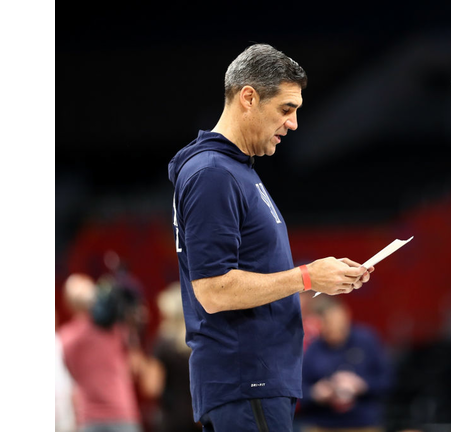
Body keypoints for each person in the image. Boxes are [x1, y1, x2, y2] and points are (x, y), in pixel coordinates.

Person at [167, 43, 374, 432]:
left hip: (254, 383)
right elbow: (213, 290)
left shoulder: (234, 170)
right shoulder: (214, 174)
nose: (293, 123)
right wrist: (307, 277)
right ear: (248, 97)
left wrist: (321, 278)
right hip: (246, 382)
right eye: (286, 109)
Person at [57, 273, 143, 432]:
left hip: (90, 416)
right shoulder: (115, 330)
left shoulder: (66, 338)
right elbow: (135, 366)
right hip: (121, 412)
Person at [297, 296, 393, 432]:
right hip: (321, 424)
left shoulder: (366, 340)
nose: (333, 328)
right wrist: (316, 392)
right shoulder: (313, 347)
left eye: (335, 321)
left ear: (345, 315)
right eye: (327, 324)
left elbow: (387, 381)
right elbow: (298, 390)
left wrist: (361, 385)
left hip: (363, 424)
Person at [136, 282, 202, 432]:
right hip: (201, 418)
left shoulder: (164, 343)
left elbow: (152, 388)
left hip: (173, 420)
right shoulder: (200, 340)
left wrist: (142, 366)